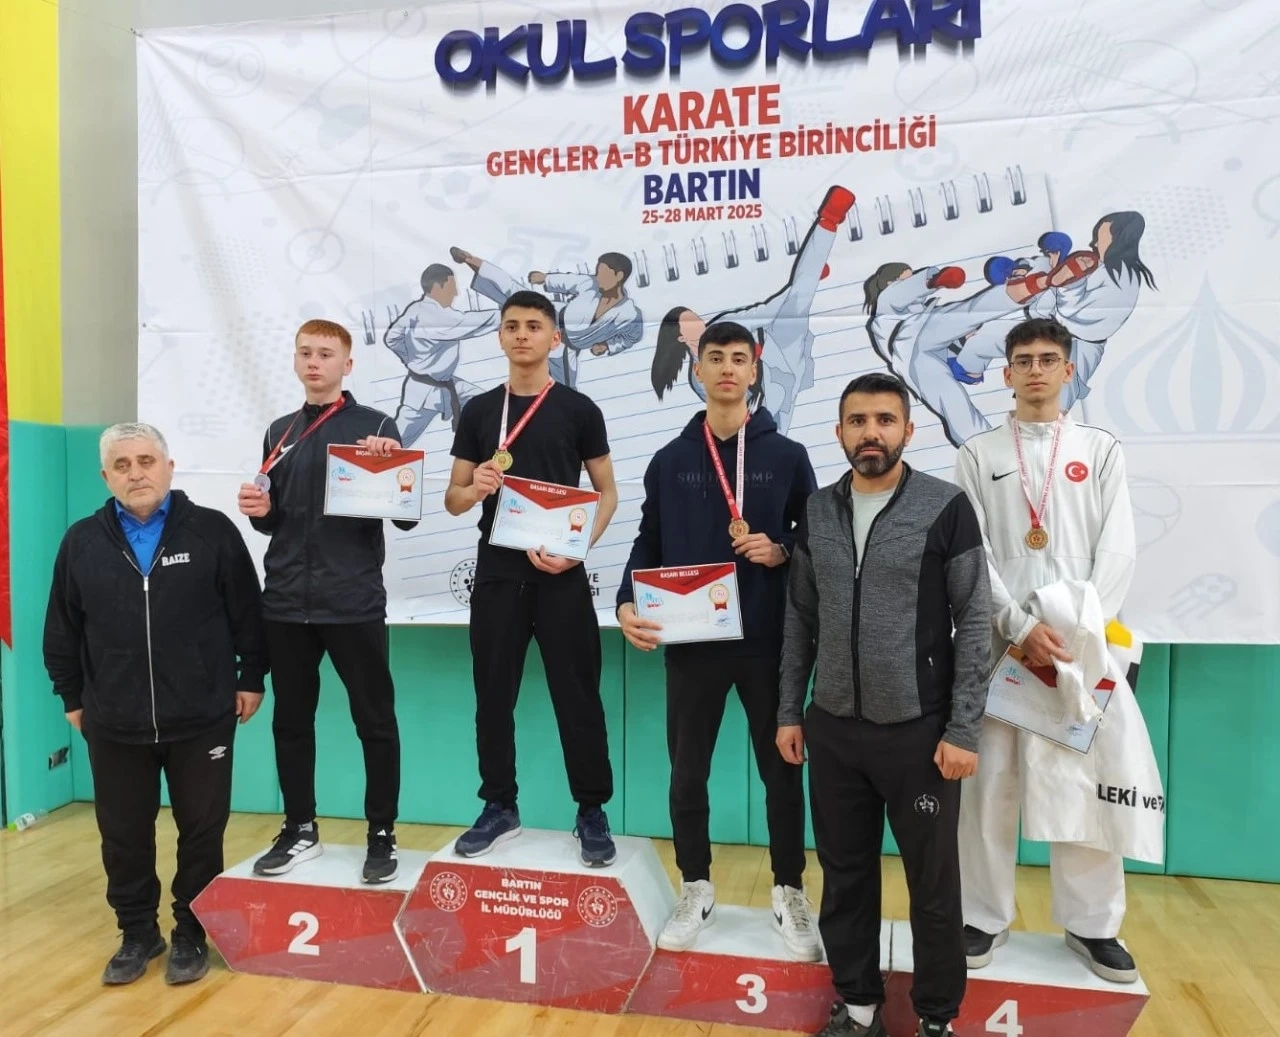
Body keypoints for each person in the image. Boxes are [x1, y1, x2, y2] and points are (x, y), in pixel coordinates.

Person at [777, 373, 991, 1037]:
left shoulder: (944, 505)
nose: (871, 432)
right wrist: (789, 710)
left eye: (885, 420)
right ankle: (860, 1006)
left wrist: (963, 728)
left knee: (933, 884)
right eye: (858, 420)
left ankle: (936, 1018)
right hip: (834, 731)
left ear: (907, 430)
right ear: (839, 431)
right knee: (844, 877)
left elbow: (975, 619)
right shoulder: (817, 511)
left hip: (919, 734)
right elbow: (799, 618)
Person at [617, 321, 820, 960]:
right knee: (688, 774)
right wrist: (625, 600)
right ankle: (695, 885)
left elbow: (817, 538)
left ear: (754, 371)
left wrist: (781, 549)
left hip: (768, 640)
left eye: (739, 358)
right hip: (693, 641)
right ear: (697, 370)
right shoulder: (670, 460)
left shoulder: (787, 456)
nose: (728, 368)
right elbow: (649, 540)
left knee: (780, 773)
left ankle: (789, 889)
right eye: (715, 358)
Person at [953, 317, 1143, 983]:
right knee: (988, 786)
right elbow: (971, 551)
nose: (1036, 370)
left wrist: (1077, 633)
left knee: (1082, 785)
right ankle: (982, 915)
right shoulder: (977, 453)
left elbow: (1119, 548)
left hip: (1079, 651)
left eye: (1048, 359)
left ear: (1068, 370)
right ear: (1006, 373)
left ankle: (1094, 926)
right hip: (1001, 647)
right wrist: (1016, 624)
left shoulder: (1100, 449)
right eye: (1024, 360)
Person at [43, 423, 267, 987]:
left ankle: (191, 931)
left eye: (146, 461)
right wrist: (71, 695)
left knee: (202, 832)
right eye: (122, 465)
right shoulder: (81, 542)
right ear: (106, 476)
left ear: (169, 467)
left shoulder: (212, 531)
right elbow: (62, 628)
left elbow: (248, 611)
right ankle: (137, 932)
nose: (136, 473)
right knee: (123, 837)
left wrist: (252, 677)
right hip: (113, 721)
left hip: (202, 717)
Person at [444, 289, 620, 866]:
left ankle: (591, 811)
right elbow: (452, 499)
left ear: (554, 338)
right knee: (493, 696)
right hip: (498, 574)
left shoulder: (580, 409)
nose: (522, 334)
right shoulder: (478, 411)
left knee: (578, 696)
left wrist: (578, 550)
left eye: (534, 326)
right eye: (512, 325)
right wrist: (475, 488)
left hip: (561, 575)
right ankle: (499, 806)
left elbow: (607, 493)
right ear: (499, 336)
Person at [237, 318, 414, 884]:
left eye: (326, 354)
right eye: (306, 353)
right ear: (295, 360)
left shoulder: (377, 426)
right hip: (286, 602)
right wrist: (261, 512)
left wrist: (388, 461)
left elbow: (406, 515)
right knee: (291, 721)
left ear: (347, 364)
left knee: (375, 721)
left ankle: (382, 834)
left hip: (352, 600)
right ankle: (299, 828)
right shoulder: (280, 430)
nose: (314, 363)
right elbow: (276, 522)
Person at [649, 185, 855, 435]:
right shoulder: (698, 376)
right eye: (691, 323)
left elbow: (762, 312)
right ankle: (807, 278)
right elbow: (734, 402)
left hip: (779, 351)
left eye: (697, 318)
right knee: (777, 432)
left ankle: (829, 220)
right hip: (764, 399)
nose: (700, 323)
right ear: (681, 337)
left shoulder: (720, 325)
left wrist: (798, 289)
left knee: (797, 302)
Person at [450, 247, 644, 389]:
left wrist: (608, 346)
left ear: (618, 276)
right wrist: (545, 278)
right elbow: (569, 282)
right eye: (598, 272)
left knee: (566, 388)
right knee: (514, 291)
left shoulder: (629, 314)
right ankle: (470, 260)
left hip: (565, 345)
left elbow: (632, 337)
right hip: (551, 314)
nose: (598, 277)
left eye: (602, 273)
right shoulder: (590, 283)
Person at [384, 262, 501, 446]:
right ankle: (368, 461)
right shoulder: (435, 316)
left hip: (443, 383)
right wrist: (510, 314)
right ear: (438, 287)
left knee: (488, 405)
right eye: (452, 287)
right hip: (425, 392)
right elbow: (469, 322)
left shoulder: (416, 308)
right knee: (394, 443)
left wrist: (412, 359)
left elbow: (392, 337)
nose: (456, 293)